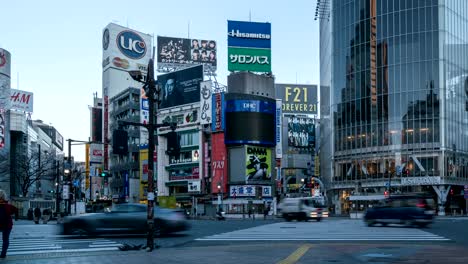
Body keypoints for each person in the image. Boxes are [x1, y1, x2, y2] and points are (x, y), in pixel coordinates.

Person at [0, 189, 18, 259]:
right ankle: (3, 254)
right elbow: (16, 209)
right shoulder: (8, 206)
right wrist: (15, 217)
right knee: (5, 239)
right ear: (4, 197)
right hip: (7, 224)